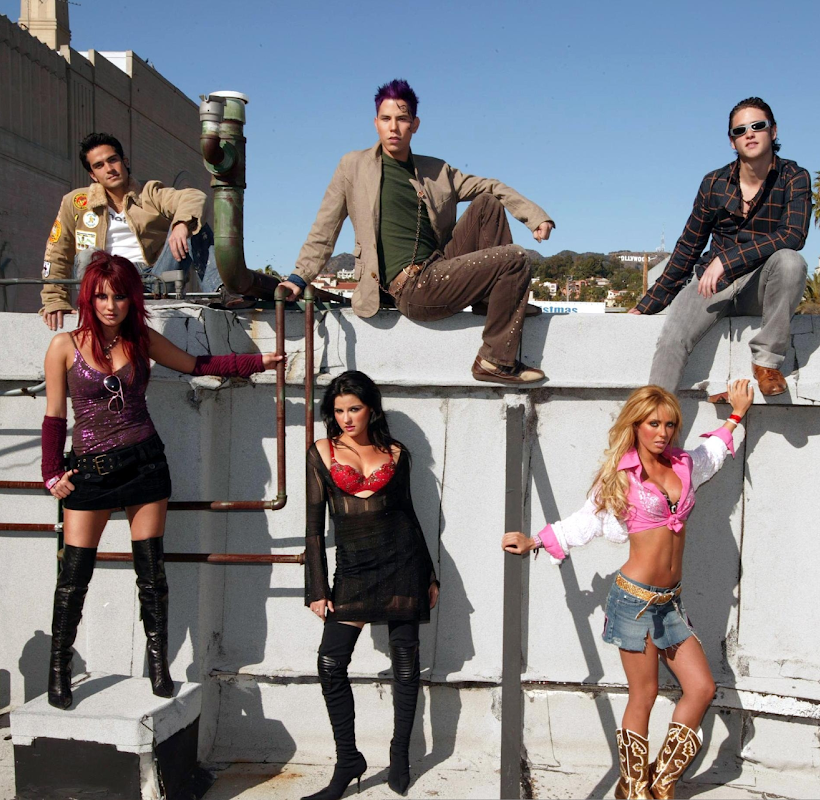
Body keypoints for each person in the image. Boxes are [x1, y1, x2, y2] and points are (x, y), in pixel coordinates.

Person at [40, 250, 281, 709]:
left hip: (145, 464)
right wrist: (51, 473)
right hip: (90, 472)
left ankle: (158, 666)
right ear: (89, 298)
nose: (111, 305)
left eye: (120, 297)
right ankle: (58, 671)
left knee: (152, 576)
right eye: (102, 296)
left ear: (133, 299)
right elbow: (54, 415)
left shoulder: (140, 340)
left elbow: (196, 365)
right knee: (73, 578)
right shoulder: (63, 346)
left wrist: (257, 362)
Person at [503, 381, 754, 799]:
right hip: (633, 600)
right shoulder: (621, 477)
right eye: (653, 423)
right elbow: (585, 520)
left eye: (669, 424)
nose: (662, 432)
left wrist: (737, 414)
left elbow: (713, 452)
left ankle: (661, 782)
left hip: (670, 602)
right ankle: (635, 788)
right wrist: (534, 541)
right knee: (645, 693)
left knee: (701, 689)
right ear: (635, 425)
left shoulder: (684, 465)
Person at [279, 79, 556, 385]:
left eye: (402, 119)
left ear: (415, 124)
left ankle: (491, 302)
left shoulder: (436, 170)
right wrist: (298, 277)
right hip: (413, 289)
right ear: (375, 123)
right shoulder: (353, 166)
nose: (393, 127)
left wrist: (534, 217)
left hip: (439, 268)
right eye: (385, 119)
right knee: (515, 257)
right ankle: (495, 360)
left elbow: (490, 186)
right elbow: (325, 227)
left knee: (487, 203)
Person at [303, 371, 440, 799]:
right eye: (339, 410)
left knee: (406, 664)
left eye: (355, 408)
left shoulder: (397, 453)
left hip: (403, 565)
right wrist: (316, 588)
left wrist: (429, 573)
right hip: (354, 570)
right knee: (331, 663)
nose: (346, 418)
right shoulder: (321, 451)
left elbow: (409, 515)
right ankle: (349, 760)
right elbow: (313, 527)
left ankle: (400, 756)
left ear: (371, 409)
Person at [630, 98, 811, 397]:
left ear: (773, 131)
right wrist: (648, 304)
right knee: (672, 339)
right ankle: (656, 417)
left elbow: (793, 235)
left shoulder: (794, 177)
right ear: (732, 141)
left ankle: (766, 363)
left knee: (791, 261)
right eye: (740, 130)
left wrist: (728, 260)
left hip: (759, 288)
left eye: (758, 126)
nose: (749, 134)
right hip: (712, 286)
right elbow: (689, 245)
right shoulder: (713, 183)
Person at [40, 132, 220, 331]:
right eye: (99, 165)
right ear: (92, 175)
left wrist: (182, 225)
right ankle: (95, 305)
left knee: (195, 223)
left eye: (112, 160)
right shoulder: (76, 202)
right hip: (105, 280)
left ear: (124, 161)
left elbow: (194, 197)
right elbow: (57, 252)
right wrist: (55, 301)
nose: (109, 169)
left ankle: (219, 292)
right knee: (86, 255)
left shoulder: (149, 192)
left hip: (154, 278)